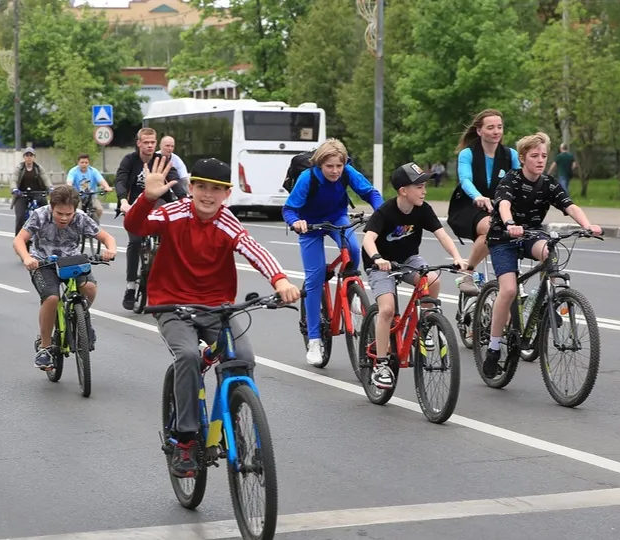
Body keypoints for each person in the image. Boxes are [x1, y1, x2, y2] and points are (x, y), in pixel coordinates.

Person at [126, 156, 299, 478]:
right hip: (171, 305)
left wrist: (281, 281)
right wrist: (146, 198)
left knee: (243, 357)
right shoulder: (173, 212)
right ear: (191, 188)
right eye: (202, 187)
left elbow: (254, 249)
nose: (208, 195)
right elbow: (136, 227)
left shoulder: (227, 221)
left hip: (216, 307)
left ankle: (233, 418)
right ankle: (186, 440)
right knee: (188, 356)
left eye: (216, 189)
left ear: (227, 194)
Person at [481, 132, 602, 379]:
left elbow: (570, 206)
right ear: (523, 158)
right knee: (509, 290)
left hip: (531, 235)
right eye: (534, 156)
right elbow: (503, 204)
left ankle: (551, 298)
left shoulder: (548, 183)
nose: (540, 160)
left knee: (550, 250)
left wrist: (588, 225)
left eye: (544, 156)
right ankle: (493, 347)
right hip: (503, 238)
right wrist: (510, 223)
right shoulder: (511, 179)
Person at [361, 163, 469, 389]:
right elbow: (368, 239)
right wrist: (378, 258)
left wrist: (458, 257)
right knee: (387, 309)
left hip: (408, 259)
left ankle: (425, 324)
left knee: (433, 278)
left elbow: (443, 236)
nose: (424, 191)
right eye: (419, 187)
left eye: (424, 186)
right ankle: (381, 364)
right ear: (403, 191)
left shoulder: (423, 209)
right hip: (381, 264)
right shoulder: (386, 211)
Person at [283, 138, 384, 366]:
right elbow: (289, 209)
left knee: (354, 248)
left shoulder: (347, 171)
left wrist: (381, 213)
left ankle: (351, 290)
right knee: (315, 278)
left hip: (337, 218)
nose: (335, 171)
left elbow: (371, 193)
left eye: (339, 165)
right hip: (310, 225)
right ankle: (314, 340)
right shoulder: (307, 178)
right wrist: (296, 222)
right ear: (320, 164)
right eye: (330, 166)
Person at [13, 185, 117, 369]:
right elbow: (19, 240)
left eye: (68, 214)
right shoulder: (40, 215)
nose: (64, 218)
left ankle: (81, 320)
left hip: (71, 261)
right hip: (43, 263)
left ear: (74, 210)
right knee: (52, 298)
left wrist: (111, 250)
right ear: (52, 207)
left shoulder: (80, 217)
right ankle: (45, 348)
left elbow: (107, 237)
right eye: (59, 213)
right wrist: (27, 258)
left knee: (90, 288)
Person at [447, 109, 522, 295]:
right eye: (490, 127)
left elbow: (520, 181)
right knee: (491, 228)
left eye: (499, 127)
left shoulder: (510, 154)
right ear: (479, 131)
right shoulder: (468, 154)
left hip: (500, 207)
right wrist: (477, 196)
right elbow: (465, 180)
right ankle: (467, 273)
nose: (496, 131)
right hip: (469, 207)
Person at [115, 127, 186, 311]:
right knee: (135, 241)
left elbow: (174, 180)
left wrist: (185, 199)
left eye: (152, 142)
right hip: (134, 206)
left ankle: (167, 285)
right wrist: (123, 201)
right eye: (146, 142)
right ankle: (131, 286)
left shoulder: (161, 160)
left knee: (170, 240)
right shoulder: (130, 160)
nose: (149, 146)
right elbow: (120, 181)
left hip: (159, 205)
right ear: (139, 143)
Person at [10, 147, 50, 236]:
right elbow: (14, 179)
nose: (29, 157)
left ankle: (45, 234)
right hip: (21, 194)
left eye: (31, 155)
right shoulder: (20, 168)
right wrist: (14, 189)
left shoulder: (38, 168)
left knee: (45, 213)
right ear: (24, 157)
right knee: (20, 216)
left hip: (37, 193)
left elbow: (45, 179)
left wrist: (50, 188)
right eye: (27, 155)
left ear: (34, 157)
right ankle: (18, 238)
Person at [67, 153, 113, 222]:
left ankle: (94, 224)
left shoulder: (93, 171)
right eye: (82, 162)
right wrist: (69, 189)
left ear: (89, 163)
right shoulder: (73, 171)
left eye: (86, 162)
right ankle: (75, 223)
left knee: (99, 209)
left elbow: (101, 180)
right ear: (78, 163)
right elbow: (69, 182)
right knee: (77, 210)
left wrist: (107, 187)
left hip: (91, 195)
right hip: (78, 195)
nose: (84, 164)